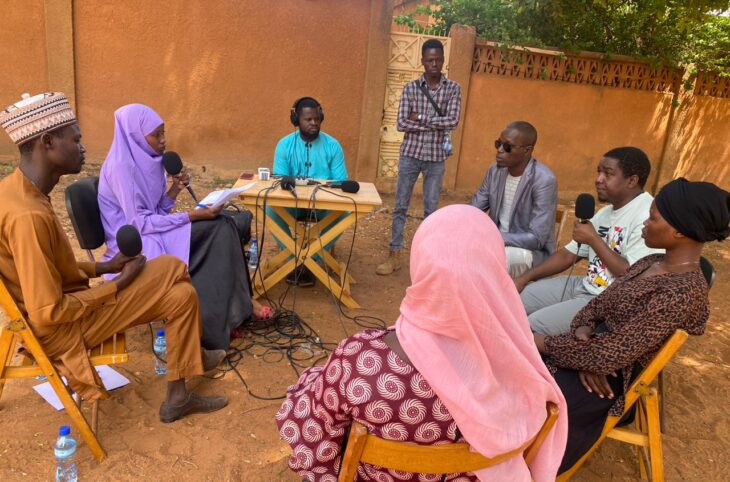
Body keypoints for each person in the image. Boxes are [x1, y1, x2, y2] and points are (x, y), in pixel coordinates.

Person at [277, 205, 567, 482]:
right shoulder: (524, 373)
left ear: (420, 263)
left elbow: (311, 438)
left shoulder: (358, 362)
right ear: (494, 267)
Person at [0, 92, 228, 422]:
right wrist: (118, 283)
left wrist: (105, 266)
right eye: (75, 140)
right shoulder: (27, 216)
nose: (83, 148)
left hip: (68, 306)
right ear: (47, 142)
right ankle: (192, 357)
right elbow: (48, 312)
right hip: (62, 330)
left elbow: (44, 268)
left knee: (180, 295)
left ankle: (178, 396)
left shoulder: (17, 191)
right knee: (171, 267)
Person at [534, 178, 729, 474]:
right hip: (593, 355)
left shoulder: (682, 292)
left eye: (652, 218)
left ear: (678, 231)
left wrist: (543, 342)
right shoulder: (650, 261)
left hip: (610, 381)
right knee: (518, 377)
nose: (644, 225)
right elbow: (597, 305)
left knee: (533, 401)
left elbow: (614, 356)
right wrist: (584, 332)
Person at [97, 104, 271, 350]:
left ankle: (238, 308)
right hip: (135, 242)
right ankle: (215, 326)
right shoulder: (121, 167)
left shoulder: (150, 160)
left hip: (153, 230)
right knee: (217, 230)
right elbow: (139, 224)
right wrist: (192, 216)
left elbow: (155, 212)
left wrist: (175, 190)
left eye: (163, 132)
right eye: (156, 135)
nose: (163, 141)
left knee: (224, 224)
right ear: (135, 135)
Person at [516, 147, 662, 335]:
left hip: (608, 300)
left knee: (533, 325)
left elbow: (633, 275)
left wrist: (594, 240)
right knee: (517, 300)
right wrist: (524, 278)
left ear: (632, 180)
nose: (598, 179)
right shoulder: (605, 212)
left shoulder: (646, 217)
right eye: (599, 172)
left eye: (608, 174)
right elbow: (568, 254)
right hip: (585, 285)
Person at [376, 39, 462, 276]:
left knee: (431, 210)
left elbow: (453, 121)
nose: (434, 64)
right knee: (400, 206)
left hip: (436, 157)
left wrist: (420, 117)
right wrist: (434, 123)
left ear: (443, 60)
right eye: (429, 60)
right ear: (422, 61)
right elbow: (402, 123)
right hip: (410, 155)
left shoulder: (453, 88)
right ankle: (394, 254)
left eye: (438, 59)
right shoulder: (411, 88)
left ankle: (427, 258)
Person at [270, 96, 348, 287]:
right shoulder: (284, 145)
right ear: (296, 120)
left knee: (343, 213)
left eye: (317, 119)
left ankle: (313, 261)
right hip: (293, 204)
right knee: (270, 210)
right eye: (308, 120)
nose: (314, 123)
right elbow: (279, 179)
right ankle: (292, 257)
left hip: (323, 205)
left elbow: (341, 181)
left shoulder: (333, 145)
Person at [471, 121, 557, 277]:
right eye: (498, 143)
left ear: (527, 150)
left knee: (491, 261)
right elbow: (473, 210)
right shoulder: (494, 171)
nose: (499, 150)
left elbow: (537, 239)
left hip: (530, 252)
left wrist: (494, 237)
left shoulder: (543, 180)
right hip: (495, 243)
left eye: (507, 147)